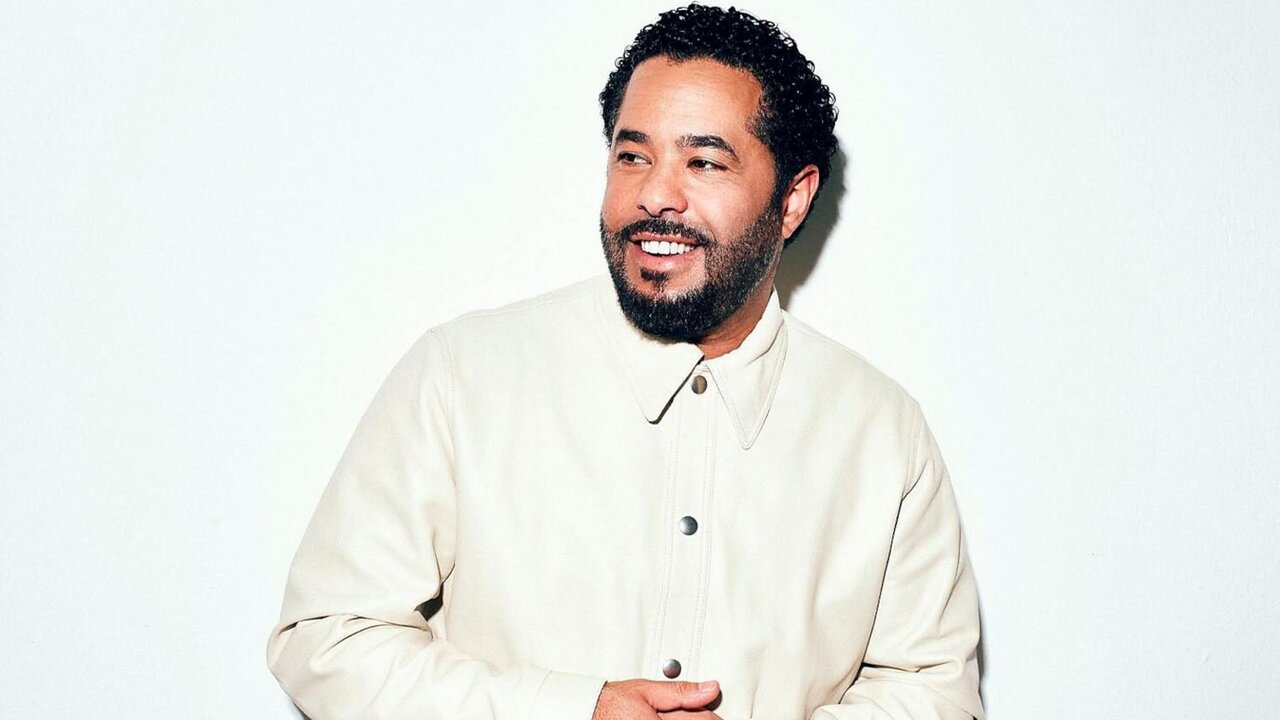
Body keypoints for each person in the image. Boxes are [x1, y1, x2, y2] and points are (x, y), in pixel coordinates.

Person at [267, 5, 984, 720]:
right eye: (632, 155)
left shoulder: (881, 432)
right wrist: (573, 711)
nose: (654, 195)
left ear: (792, 200)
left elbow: (934, 695)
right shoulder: (462, 376)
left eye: (704, 162)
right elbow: (327, 639)